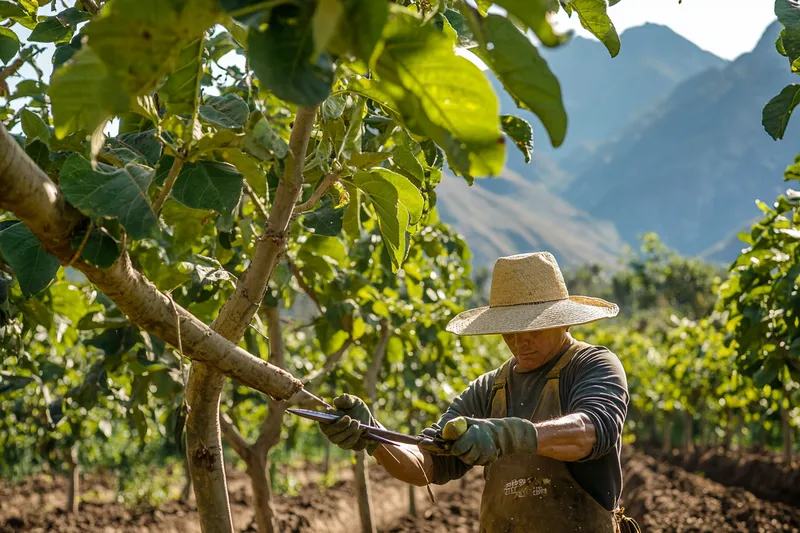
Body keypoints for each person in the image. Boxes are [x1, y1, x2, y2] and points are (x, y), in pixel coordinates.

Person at [318, 252, 639, 532]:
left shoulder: (592, 364)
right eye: (509, 330)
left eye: (532, 327)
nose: (519, 340)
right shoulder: (489, 389)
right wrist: (375, 437)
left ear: (563, 321)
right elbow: (426, 464)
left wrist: (510, 435)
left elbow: (593, 430)